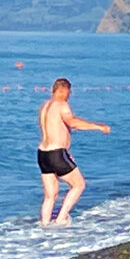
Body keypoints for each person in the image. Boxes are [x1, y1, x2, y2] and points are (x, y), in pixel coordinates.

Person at [37, 78, 110, 226]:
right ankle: (61, 218)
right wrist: (99, 127)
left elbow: (54, 129)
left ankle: (44, 225)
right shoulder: (61, 105)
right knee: (79, 185)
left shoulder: (45, 106)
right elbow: (73, 123)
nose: (69, 96)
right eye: (69, 92)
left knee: (50, 195)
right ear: (63, 90)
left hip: (43, 154)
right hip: (56, 153)